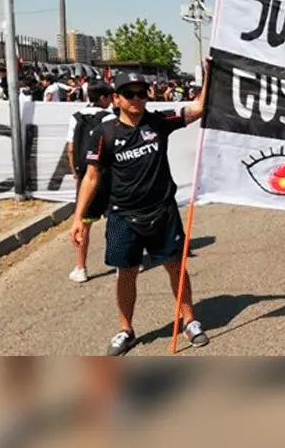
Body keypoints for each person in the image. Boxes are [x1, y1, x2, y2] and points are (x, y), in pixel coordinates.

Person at [70, 63, 211, 356]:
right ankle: (126, 330)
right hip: (122, 216)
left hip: (162, 211)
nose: (136, 98)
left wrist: (210, 75)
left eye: (141, 93)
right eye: (128, 93)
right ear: (116, 98)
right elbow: (91, 177)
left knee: (176, 266)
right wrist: (79, 219)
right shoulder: (103, 132)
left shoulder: (158, 122)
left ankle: (189, 320)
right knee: (127, 273)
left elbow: (198, 108)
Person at [65, 81, 115, 283]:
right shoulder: (110, 117)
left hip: (85, 174)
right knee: (115, 220)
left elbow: (70, 147)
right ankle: (122, 263)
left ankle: (80, 267)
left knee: (83, 223)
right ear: (104, 98)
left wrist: (76, 172)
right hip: (108, 174)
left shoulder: (76, 117)